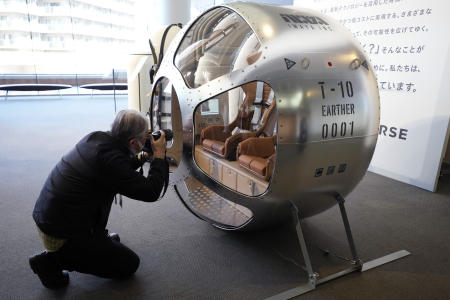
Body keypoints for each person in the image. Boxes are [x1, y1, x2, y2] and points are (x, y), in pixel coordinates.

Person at [29, 109, 169, 289]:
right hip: (61, 233)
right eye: (145, 137)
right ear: (133, 142)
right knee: (129, 264)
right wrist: (159, 156)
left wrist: (142, 156)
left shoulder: (98, 138)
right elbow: (150, 192)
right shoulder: (110, 161)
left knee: (110, 249)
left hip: (53, 215)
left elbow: (119, 169)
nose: (148, 139)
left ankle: (94, 243)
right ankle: (51, 261)